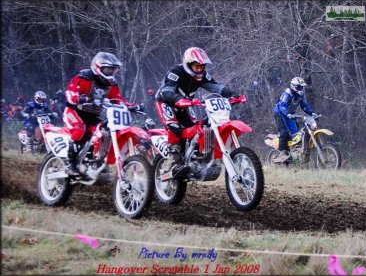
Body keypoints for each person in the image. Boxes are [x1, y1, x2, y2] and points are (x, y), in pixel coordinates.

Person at [155, 47, 238, 178]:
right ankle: (173, 160)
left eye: (201, 66)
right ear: (188, 65)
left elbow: (215, 87)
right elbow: (167, 90)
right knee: (175, 129)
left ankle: (195, 158)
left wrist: (231, 93)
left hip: (186, 104)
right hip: (167, 103)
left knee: (194, 129)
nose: (199, 69)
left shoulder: (203, 75)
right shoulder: (176, 72)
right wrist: (178, 99)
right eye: (196, 66)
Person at [63, 51, 143, 175]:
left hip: (93, 116)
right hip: (75, 112)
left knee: (105, 132)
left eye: (113, 70)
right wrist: (80, 98)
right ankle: (70, 164)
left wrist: (133, 107)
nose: (110, 73)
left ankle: (97, 161)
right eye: (107, 70)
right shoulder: (84, 77)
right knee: (80, 129)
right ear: (98, 67)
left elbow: (117, 99)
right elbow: (70, 93)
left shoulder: (111, 84)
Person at [273, 77, 317, 163]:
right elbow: (282, 106)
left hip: (290, 115)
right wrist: (287, 113)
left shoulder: (300, 95)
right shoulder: (287, 93)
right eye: (299, 87)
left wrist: (312, 113)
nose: (301, 89)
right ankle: (282, 153)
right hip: (280, 114)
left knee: (296, 134)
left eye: (302, 87)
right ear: (294, 86)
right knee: (284, 132)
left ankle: (295, 152)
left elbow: (304, 106)